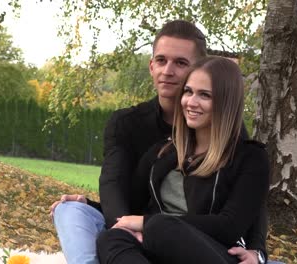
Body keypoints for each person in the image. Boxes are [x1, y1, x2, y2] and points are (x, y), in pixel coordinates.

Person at [50, 20, 268, 264]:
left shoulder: (239, 143)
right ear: (151, 66)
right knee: (94, 227)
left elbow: (248, 203)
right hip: (151, 238)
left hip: (206, 245)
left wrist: (258, 252)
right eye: (161, 61)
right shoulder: (155, 144)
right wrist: (91, 206)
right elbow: (120, 190)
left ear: (201, 69)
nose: (168, 71)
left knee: (158, 227)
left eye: (181, 63)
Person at [96, 56, 270, 264]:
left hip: (213, 253)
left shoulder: (249, 157)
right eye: (188, 92)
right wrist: (84, 204)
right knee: (112, 237)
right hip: (158, 248)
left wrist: (258, 254)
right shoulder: (161, 153)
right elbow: (130, 206)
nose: (191, 102)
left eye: (204, 95)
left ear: (226, 102)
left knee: (159, 227)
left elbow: (230, 226)